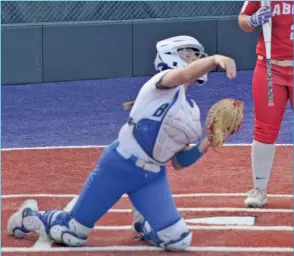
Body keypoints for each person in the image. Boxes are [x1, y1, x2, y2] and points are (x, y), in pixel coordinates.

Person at [7, 35, 237, 251]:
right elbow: (184, 75)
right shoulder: (161, 82)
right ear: (172, 55)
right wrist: (216, 59)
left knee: (178, 240)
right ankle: (31, 216)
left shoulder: (191, 112)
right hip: (119, 166)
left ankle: (144, 224)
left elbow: (179, 161)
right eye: (191, 55)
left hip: (152, 178)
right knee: (72, 232)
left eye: (198, 56)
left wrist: (210, 141)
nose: (197, 60)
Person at [238, 1, 293, 208]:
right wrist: (253, 19)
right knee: (265, 129)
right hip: (270, 67)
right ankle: (259, 189)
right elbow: (243, 21)